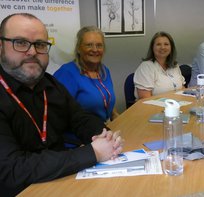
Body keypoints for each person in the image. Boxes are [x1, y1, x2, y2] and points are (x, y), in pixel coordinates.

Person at [0, 13, 123, 196]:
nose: (32, 52)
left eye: (40, 44)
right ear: (1, 46)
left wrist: (103, 135)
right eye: (21, 42)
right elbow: (11, 170)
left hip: (62, 180)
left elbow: (80, 118)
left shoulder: (50, 84)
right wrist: (92, 153)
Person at [54, 26, 118, 123]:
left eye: (99, 45)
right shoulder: (66, 73)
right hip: (79, 134)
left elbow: (106, 98)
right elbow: (58, 114)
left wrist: (116, 116)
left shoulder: (104, 71)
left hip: (103, 129)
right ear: (79, 48)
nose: (95, 49)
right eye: (89, 45)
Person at [134, 31, 185, 99]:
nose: (162, 47)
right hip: (153, 108)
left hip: (176, 106)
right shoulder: (146, 67)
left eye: (166, 44)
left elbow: (182, 89)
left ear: (171, 47)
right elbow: (145, 99)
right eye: (158, 44)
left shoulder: (175, 66)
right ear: (152, 48)